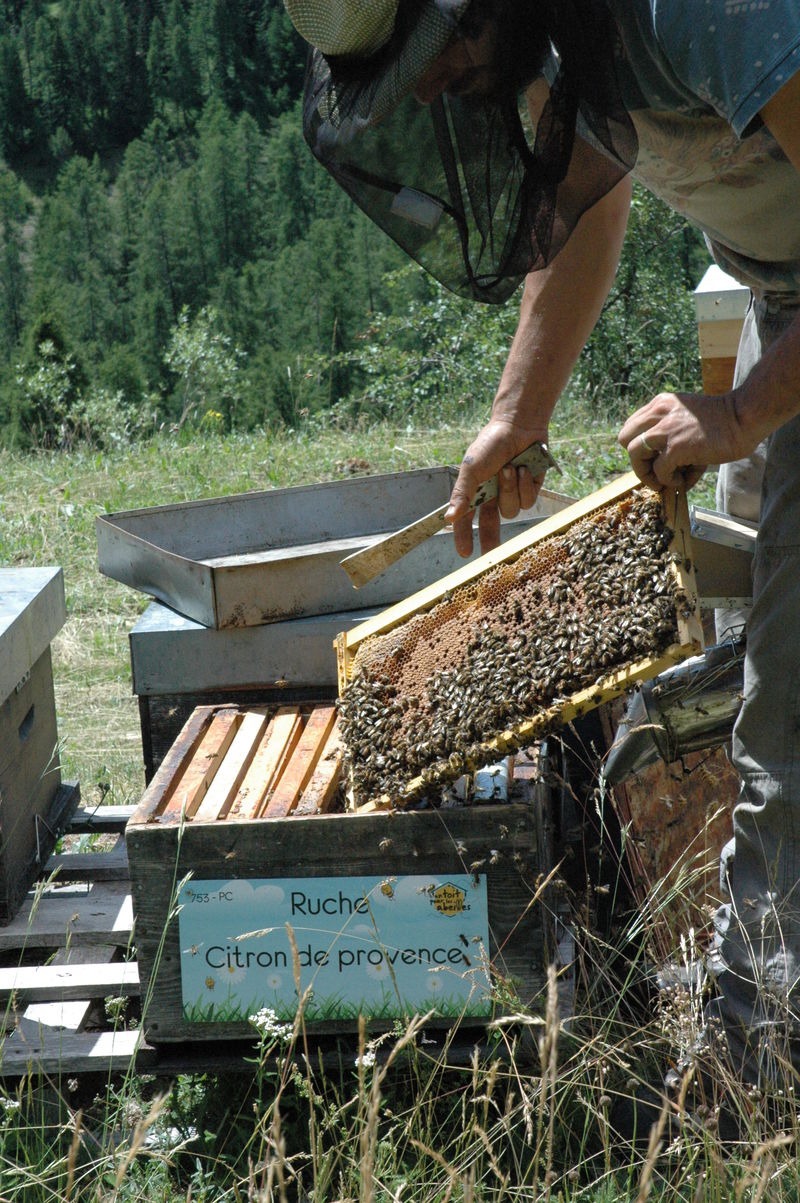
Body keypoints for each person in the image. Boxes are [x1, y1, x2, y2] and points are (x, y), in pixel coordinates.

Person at [284, 0, 800, 1106]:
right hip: (784, 296)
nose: (430, 92)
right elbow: (586, 189)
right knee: (766, 655)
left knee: (790, 732)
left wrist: (742, 412)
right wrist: (518, 409)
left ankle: (754, 1088)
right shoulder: (575, 36)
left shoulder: (699, 9)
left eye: (434, 58)